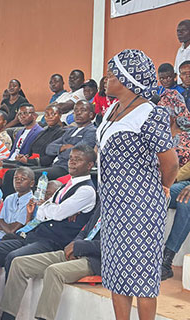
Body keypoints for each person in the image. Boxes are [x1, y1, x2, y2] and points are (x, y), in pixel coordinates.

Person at [98, 49, 179, 320]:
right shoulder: (113, 108)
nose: (106, 80)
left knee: (142, 279)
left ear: (128, 79)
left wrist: (164, 187)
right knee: (117, 273)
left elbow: (171, 163)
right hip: (113, 208)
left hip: (139, 208)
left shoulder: (150, 114)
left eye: (111, 75)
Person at [0, 145, 98, 274]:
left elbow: (57, 214)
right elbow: (40, 212)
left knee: (14, 257)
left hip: (53, 242)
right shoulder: (65, 187)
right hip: (35, 235)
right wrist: (51, 209)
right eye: (70, 158)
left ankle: (9, 293)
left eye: (77, 159)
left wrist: (50, 208)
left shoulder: (86, 190)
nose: (72, 162)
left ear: (89, 165)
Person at [0, 204, 102, 320]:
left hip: (93, 260)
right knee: (18, 264)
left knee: (54, 271)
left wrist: (79, 246)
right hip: (75, 252)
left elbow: (111, 247)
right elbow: (85, 230)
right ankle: (7, 317)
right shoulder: (103, 205)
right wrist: (75, 244)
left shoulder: (123, 214)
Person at [40, 100, 96, 180]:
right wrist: (62, 148)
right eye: (76, 110)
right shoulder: (70, 130)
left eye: (83, 110)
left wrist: (59, 153)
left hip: (67, 169)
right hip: (55, 165)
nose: (78, 113)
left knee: (29, 174)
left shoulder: (91, 131)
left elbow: (77, 153)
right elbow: (49, 148)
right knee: (20, 169)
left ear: (91, 115)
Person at [0, 167, 35, 238]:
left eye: (23, 179)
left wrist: (2, 223)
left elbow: (12, 230)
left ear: (31, 183)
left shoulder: (31, 202)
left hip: (11, 239)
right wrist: (6, 225)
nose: (18, 181)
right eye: (16, 178)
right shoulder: (9, 198)